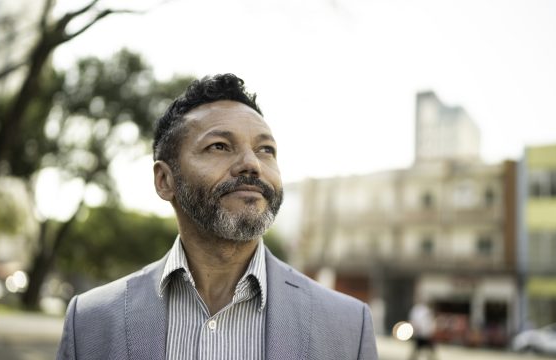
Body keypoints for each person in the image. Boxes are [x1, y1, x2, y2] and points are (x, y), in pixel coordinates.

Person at [57, 73, 378, 359]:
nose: (252, 163)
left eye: (266, 149)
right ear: (165, 181)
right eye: (220, 146)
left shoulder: (349, 327)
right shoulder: (89, 321)